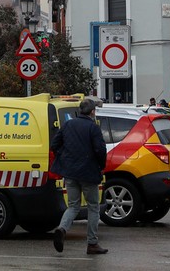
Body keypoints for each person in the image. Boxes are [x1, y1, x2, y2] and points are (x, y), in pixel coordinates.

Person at [51, 97, 108, 255]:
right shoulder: (93, 127)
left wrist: (65, 158)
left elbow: (54, 145)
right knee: (93, 207)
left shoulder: (68, 124)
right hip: (88, 173)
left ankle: (62, 229)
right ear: (92, 112)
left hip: (70, 173)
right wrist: (101, 166)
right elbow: (100, 150)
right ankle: (92, 243)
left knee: (73, 206)